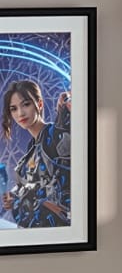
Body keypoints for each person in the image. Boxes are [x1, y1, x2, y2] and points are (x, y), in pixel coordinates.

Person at [1, 79, 71, 228]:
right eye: (13, 109)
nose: (20, 113)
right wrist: (15, 197)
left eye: (26, 104)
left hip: (60, 227)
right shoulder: (32, 147)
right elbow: (33, 184)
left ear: (39, 104)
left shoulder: (54, 135)